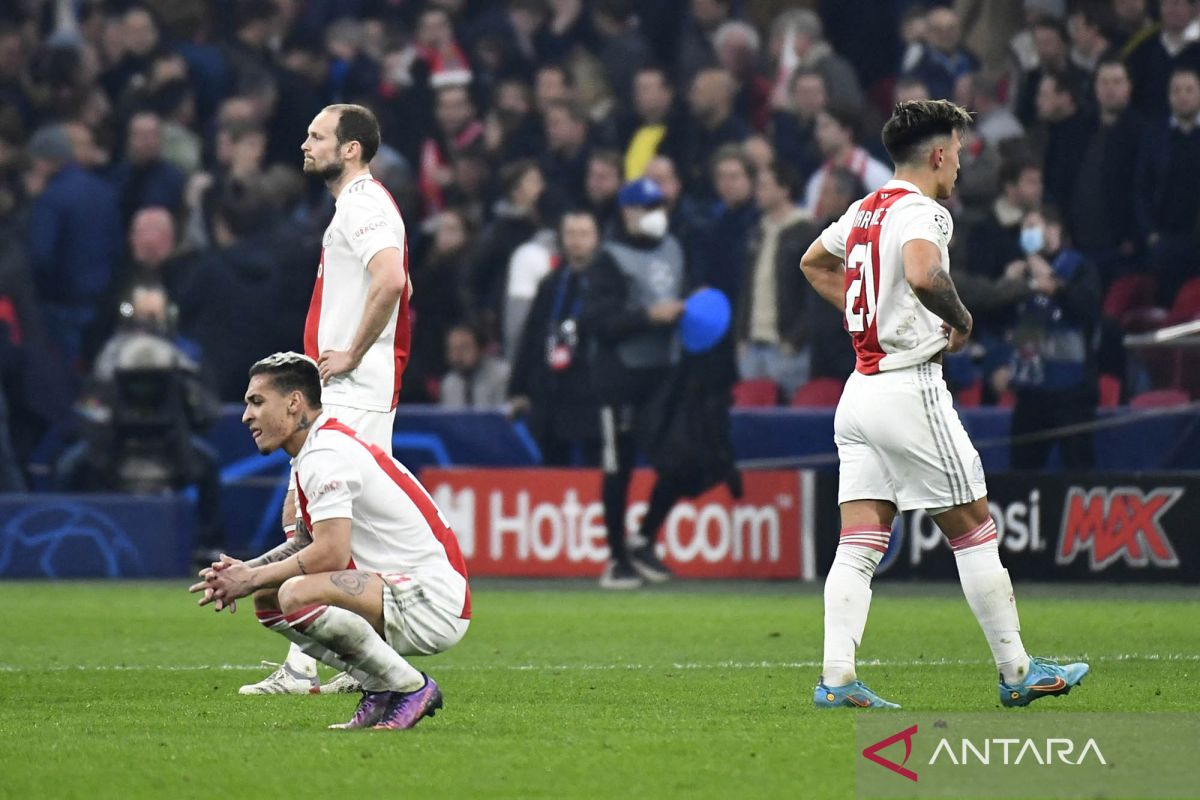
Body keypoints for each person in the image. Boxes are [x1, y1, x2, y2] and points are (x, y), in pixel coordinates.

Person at [798, 99, 1088, 709]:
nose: (959, 164)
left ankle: (837, 680)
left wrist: (867, 318)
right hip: (908, 387)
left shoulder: (863, 209)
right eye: (956, 152)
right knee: (974, 527)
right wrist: (960, 321)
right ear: (936, 154)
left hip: (860, 392)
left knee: (860, 541)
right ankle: (1017, 672)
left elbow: (813, 263)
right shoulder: (924, 212)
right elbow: (925, 274)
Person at [191, 352, 469, 731]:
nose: (246, 416)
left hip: (433, 598)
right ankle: (380, 688)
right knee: (270, 598)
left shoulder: (325, 456)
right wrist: (246, 573)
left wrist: (252, 577)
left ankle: (411, 687)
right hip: (405, 590)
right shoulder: (317, 449)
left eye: (256, 402)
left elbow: (331, 553)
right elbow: (307, 543)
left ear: (293, 403)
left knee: (293, 594)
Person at [240, 103, 411, 696]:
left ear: (351, 149)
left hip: (355, 393)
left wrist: (354, 353)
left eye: (318, 136)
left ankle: (328, 668)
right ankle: (352, 667)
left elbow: (392, 279)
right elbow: (394, 280)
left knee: (319, 528)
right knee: (324, 528)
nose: (305, 144)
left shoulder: (363, 205)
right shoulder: (358, 207)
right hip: (349, 392)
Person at [581, 177, 686, 589]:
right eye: (646, 207)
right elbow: (597, 321)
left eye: (659, 205)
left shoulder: (674, 248)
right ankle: (616, 557)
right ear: (627, 212)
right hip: (619, 379)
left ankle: (644, 538)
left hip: (663, 374)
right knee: (618, 468)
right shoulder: (609, 258)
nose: (655, 214)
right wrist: (647, 316)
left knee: (678, 458)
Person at [1008, 207, 1102, 470]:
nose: (1028, 234)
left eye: (1033, 227)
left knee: (1077, 464)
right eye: (1024, 229)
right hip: (1032, 389)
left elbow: (1088, 307)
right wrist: (1008, 285)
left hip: (1071, 390)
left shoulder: (1079, 267)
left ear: (1053, 229)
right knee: (1023, 467)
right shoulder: (1022, 272)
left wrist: (1054, 283)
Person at [509, 209, 602, 466]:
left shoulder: (607, 283)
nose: (576, 240)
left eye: (584, 234)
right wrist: (519, 388)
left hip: (592, 395)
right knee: (551, 466)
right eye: (571, 234)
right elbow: (531, 336)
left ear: (596, 238)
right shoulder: (551, 283)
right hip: (552, 392)